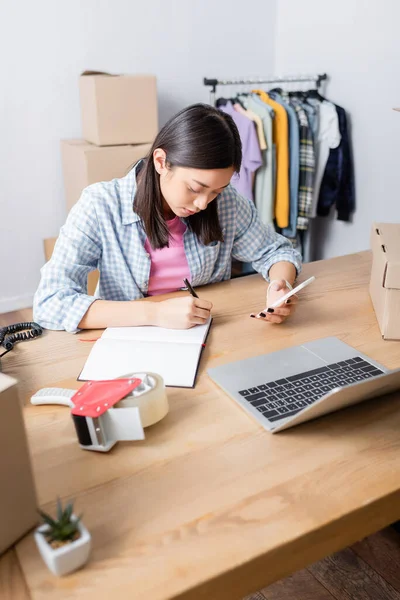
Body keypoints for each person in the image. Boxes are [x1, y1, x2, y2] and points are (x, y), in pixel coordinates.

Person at [33, 104, 302, 333]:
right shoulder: (100, 205)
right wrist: (155, 314)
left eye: (216, 191)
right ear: (161, 162)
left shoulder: (225, 202)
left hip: (211, 332)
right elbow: (51, 301)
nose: (203, 203)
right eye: (195, 188)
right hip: (130, 339)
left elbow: (276, 251)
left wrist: (281, 286)